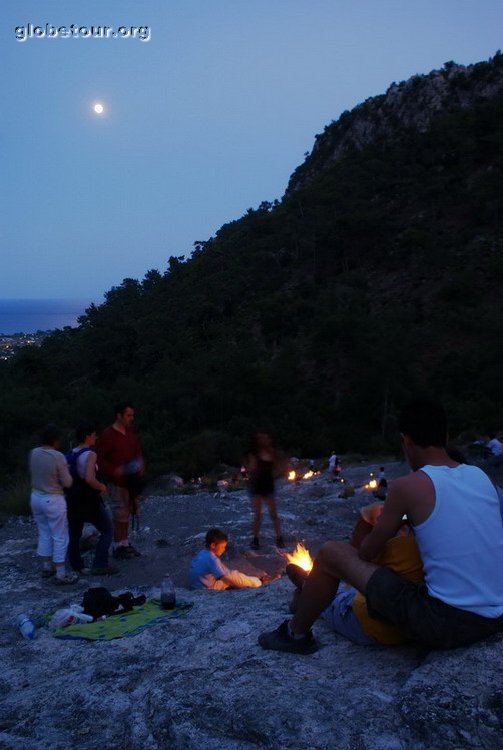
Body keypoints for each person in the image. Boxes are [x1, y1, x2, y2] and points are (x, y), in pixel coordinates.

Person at [259, 399, 503, 653]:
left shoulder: (408, 486)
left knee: (331, 553)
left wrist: (369, 519)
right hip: (497, 616)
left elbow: (365, 554)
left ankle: (295, 634)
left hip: (444, 623)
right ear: (446, 435)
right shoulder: (482, 477)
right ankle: (310, 592)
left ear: (405, 441)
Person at [286, 501, 424, 646]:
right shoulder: (435, 533)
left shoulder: (402, 537)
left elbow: (360, 555)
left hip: (379, 625)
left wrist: (369, 519)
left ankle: (302, 601)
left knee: (333, 594)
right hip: (425, 615)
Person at [66, 422, 118, 576]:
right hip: (89, 499)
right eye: (94, 435)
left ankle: (77, 565)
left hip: (73, 498)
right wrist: (101, 487)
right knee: (107, 529)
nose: (96, 437)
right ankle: (100, 564)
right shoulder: (90, 454)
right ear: (88, 436)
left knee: (74, 533)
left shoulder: (71, 453)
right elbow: (89, 478)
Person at [29, 424, 78, 584]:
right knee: (60, 535)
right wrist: (66, 469)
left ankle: (46, 566)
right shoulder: (57, 456)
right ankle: (61, 573)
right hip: (53, 498)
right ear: (55, 440)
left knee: (44, 532)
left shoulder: (34, 452)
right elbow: (68, 482)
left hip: (36, 496)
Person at [96, 402, 145, 559]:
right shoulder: (108, 435)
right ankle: (118, 545)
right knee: (119, 512)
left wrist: (140, 464)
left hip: (131, 480)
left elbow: (137, 451)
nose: (132, 418)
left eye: (132, 415)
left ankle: (124, 543)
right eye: (128, 415)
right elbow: (100, 459)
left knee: (129, 510)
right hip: (117, 482)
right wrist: (114, 471)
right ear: (119, 415)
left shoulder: (129, 432)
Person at [189, 528, 276, 590]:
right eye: (222, 547)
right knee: (234, 576)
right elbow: (229, 577)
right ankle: (259, 581)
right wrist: (256, 581)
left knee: (229, 573)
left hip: (197, 585)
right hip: (206, 589)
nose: (224, 549)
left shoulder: (202, 553)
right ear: (213, 545)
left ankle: (256, 580)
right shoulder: (212, 559)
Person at [244, 431, 285, 550]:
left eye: (266, 438)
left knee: (273, 514)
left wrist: (275, 473)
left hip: (268, 484)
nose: (264, 440)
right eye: (262, 438)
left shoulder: (272, 452)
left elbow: (278, 467)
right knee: (258, 515)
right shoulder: (255, 454)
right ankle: (255, 539)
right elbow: (251, 468)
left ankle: (279, 538)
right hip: (257, 485)